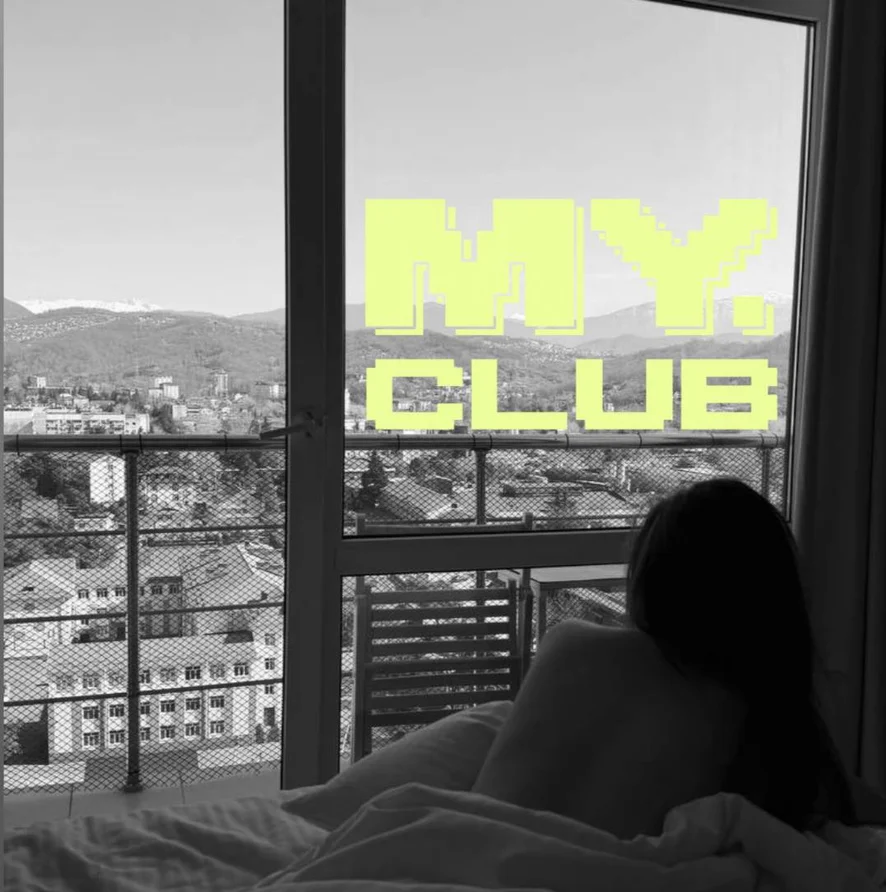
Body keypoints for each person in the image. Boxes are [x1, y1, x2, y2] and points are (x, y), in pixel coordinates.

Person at [473, 478, 858, 839]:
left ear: (647, 576)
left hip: (464, 856)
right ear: (774, 596)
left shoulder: (566, 642)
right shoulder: (750, 714)